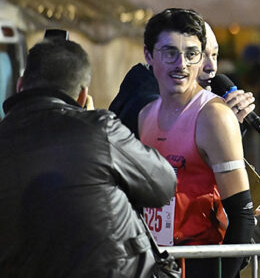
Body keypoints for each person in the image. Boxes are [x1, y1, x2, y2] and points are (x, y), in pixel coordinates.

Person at [0, 37, 176, 277]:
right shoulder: (100, 129)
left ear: (20, 85)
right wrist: (92, 121)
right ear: (83, 96)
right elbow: (164, 185)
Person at [138, 8, 255, 278]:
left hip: (203, 264)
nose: (181, 64)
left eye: (191, 54)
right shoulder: (146, 115)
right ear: (148, 55)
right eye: (170, 53)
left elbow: (243, 215)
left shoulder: (214, 116)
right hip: (159, 263)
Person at [110, 21, 256, 136]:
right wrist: (218, 121)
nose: (212, 67)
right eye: (199, 55)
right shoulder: (146, 81)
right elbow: (164, 138)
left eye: (214, 55)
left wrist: (230, 124)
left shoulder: (205, 100)